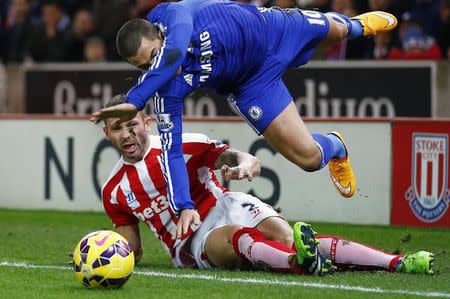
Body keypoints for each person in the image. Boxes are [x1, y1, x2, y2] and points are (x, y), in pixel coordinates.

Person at [90, 0, 398, 236]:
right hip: (251, 85)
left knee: (342, 30)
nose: (153, 68)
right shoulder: (165, 90)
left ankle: (359, 25)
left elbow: (169, 60)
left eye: (155, 56)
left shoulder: (172, 15)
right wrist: (183, 205)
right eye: (144, 67)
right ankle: (336, 147)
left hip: (273, 31)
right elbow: (170, 151)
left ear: (160, 33)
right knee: (309, 159)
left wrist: (135, 99)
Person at [100, 94, 434, 275]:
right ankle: (297, 264)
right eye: (117, 128)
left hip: (226, 204)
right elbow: (133, 249)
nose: (127, 133)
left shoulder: (183, 144)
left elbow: (230, 157)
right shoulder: (114, 190)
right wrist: (100, 255)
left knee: (287, 236)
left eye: (132, 124)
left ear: (146, 121)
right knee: (235, 240)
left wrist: (246, 163)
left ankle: (399, 262)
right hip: (192, 240)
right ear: (107, 133)